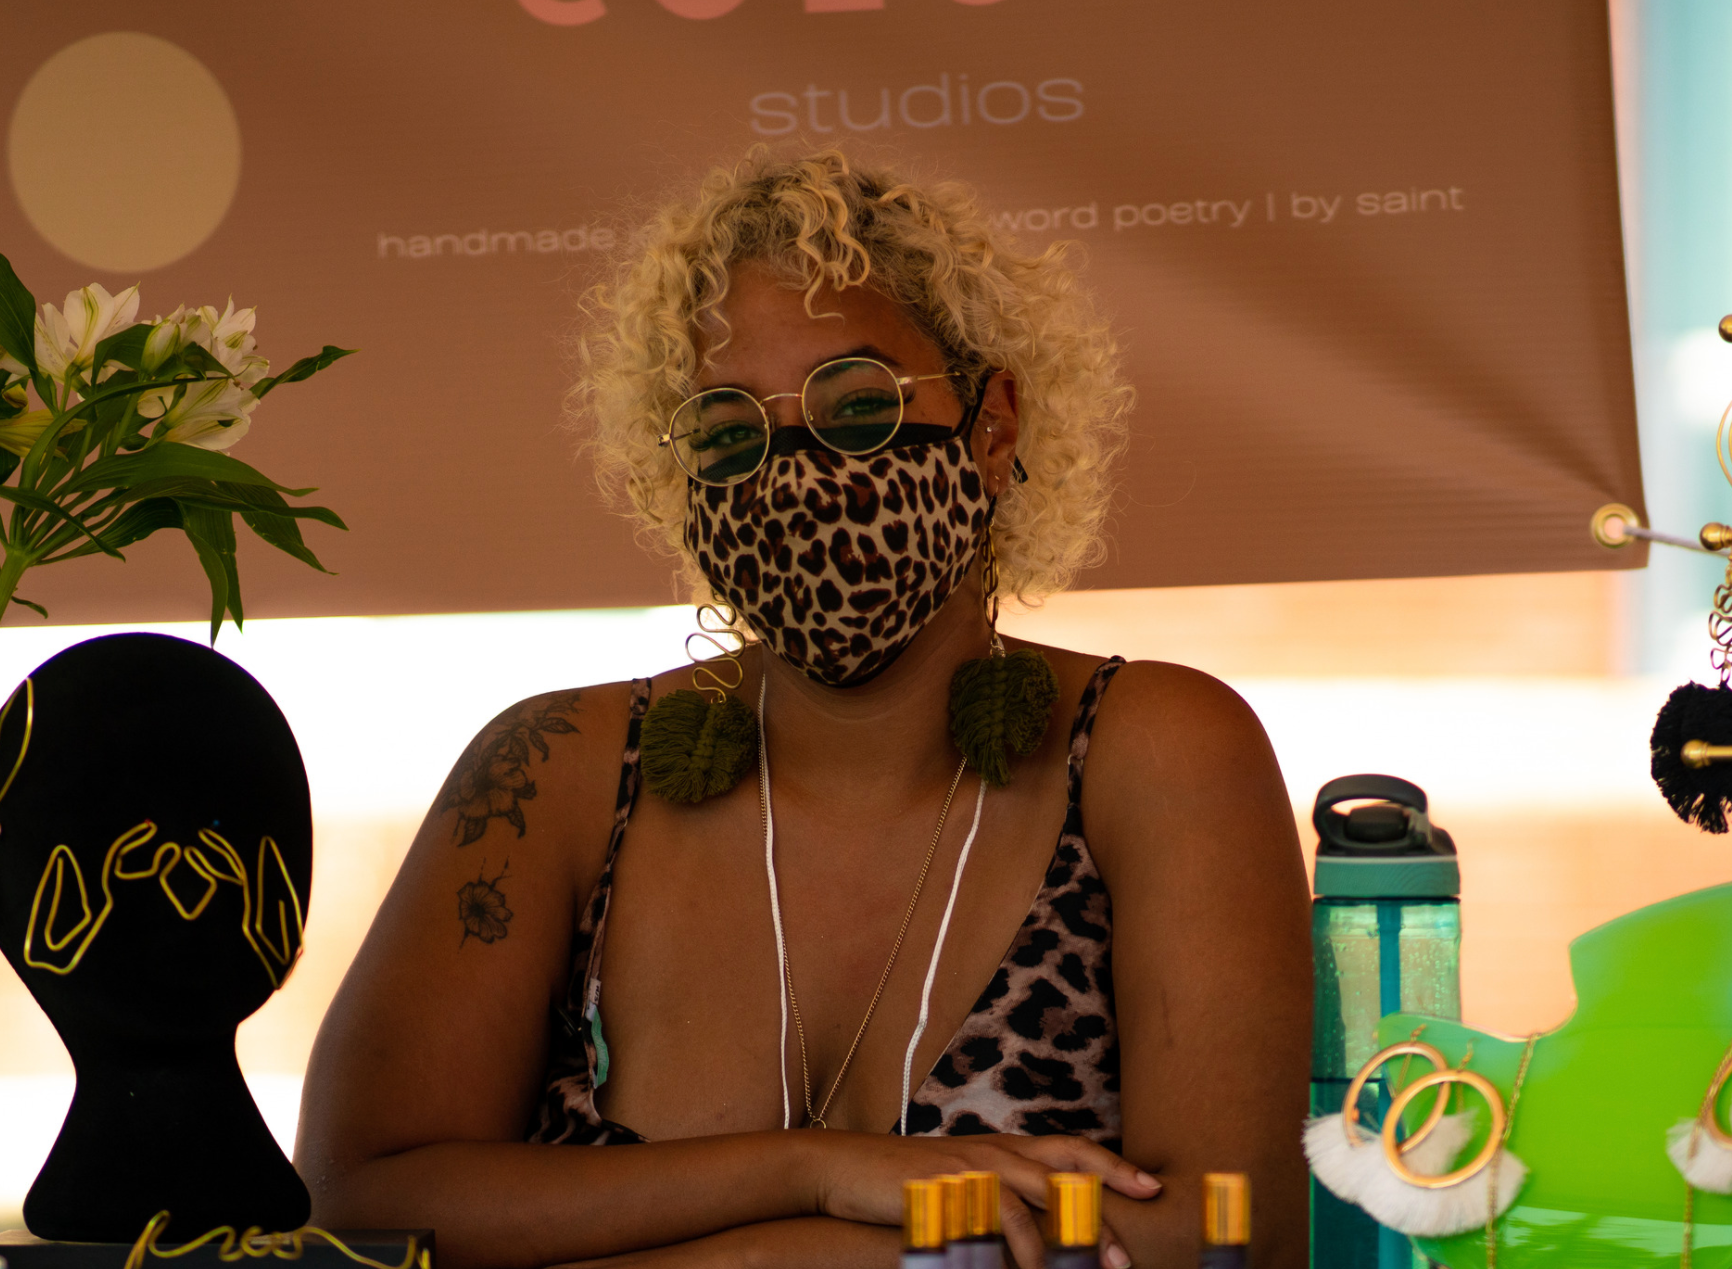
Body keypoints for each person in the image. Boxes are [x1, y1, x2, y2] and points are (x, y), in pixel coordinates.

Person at [298, 149, 1310, 1269]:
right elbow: (363, 1204)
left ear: (992, 425)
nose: (797, 466)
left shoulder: (1157, 750)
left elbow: (1222, 1238)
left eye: (860, 405)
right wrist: (819, 1171)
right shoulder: (557, 770)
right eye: (730, 430)